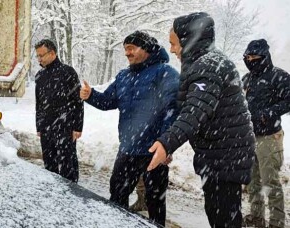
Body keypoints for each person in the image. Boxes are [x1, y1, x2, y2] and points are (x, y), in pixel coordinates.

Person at [146, 12, 255, 228]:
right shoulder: (206, 62)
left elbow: (194, 112)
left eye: (174, 44)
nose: (172, 49)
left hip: (225, 157)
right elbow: (191, 110)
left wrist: (168, 143)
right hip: (223, 153)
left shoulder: (208, 66)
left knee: (223, 217)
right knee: (220, 213)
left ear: (188, 40)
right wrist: (170, 144)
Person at [80, 31, 179, 226]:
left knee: (155, 200)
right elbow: (108, 101)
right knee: (117, 193)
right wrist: (91, 95)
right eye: (125, 49)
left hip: (154, 150)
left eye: (132, 48)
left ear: (147, 49)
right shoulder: (124, 76)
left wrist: (167, 144)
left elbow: (173, 111)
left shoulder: (165, 73)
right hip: (128, 148)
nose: (127, 53)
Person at [242, 39, 290, 228]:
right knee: (253, 181)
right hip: (250, 136)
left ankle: (277, 222)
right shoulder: (247, 78)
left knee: (270, 181)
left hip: (270, 137)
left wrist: (267, 113)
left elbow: (289, 100)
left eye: (254, 57)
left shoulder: (279, 76)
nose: (251, 60)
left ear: (264, 57)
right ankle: (256, 217)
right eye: (248, 57)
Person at [34, 39, 83, 183]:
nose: (39, 59)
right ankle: (52, 190)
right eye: (37, 56)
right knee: (49, 163)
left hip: (65, 126)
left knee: (68, 164)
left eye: (42, 55)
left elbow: (78, 101)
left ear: (53, 53)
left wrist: (77, 127)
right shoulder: (39, 76)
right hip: (47, 127)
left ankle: (72, 192)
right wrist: (39, 126)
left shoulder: (68, 72)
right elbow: (39, 103)